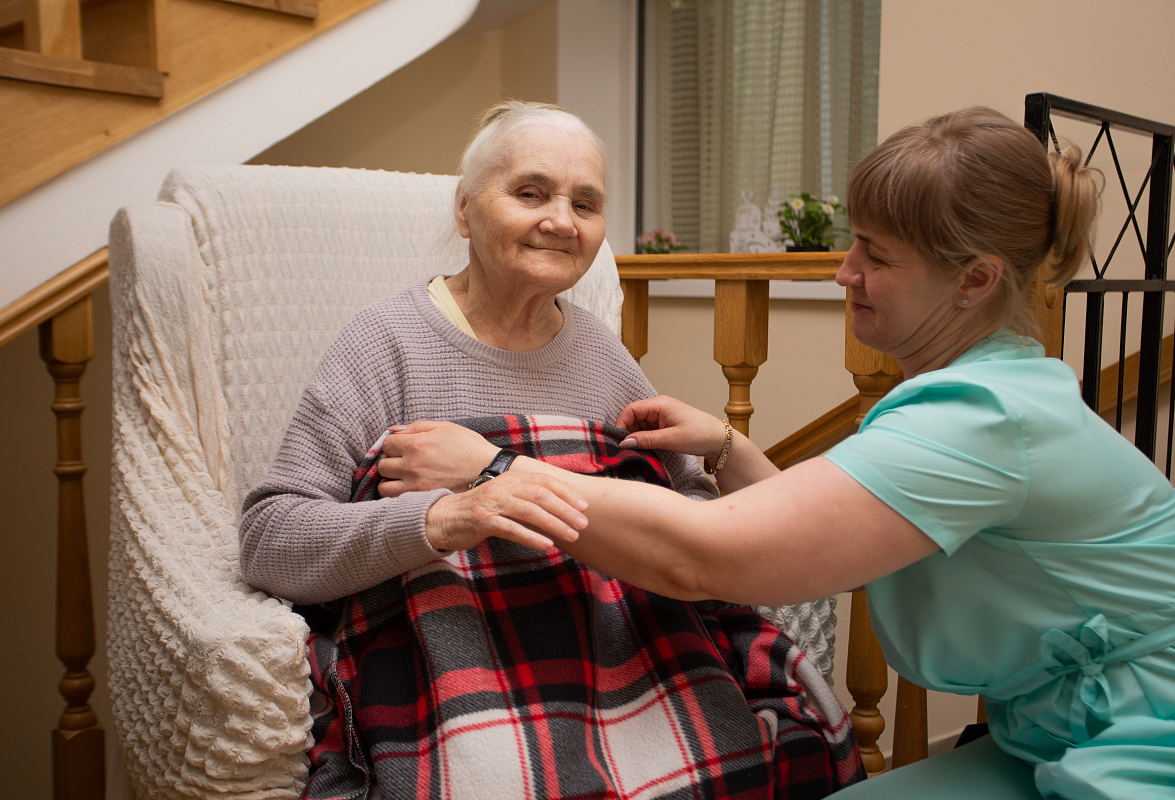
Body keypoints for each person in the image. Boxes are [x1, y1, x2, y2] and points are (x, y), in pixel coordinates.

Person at [378, 107, 1175, 800]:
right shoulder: (991, 389)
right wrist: (726, 444)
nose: (844, 272)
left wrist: (498, 470)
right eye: (853, 243)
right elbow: (841, 530)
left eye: (875, 256)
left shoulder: (983, 420)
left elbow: (705, 557)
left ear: (974, 280)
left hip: (1141, 740)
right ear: (466, 211)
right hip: (1053, 731)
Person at [240, 101, 861, 799]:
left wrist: (708, 452)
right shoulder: (384, 343)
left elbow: (698, 528)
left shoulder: (603, 355)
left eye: (585, 204)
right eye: (530, 193)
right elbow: (269, 538)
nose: (562, 221)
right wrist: (441, 520)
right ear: (466, 209)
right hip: (462, 677)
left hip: (624, 664)